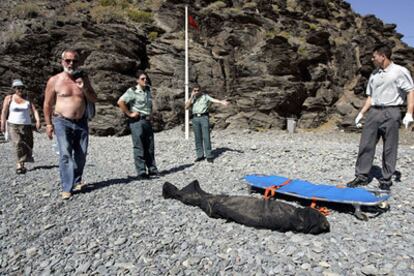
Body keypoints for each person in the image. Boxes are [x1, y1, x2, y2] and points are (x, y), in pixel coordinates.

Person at [347, 44, 414, 190]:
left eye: (374, 56)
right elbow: (371, 97)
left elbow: (410, 91)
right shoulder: (374, 74)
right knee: (366, 144)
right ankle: (361, 176)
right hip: (374, 112)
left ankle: (385, 179)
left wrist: (409, 113)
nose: (372, 59)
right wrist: (361, 113)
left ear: (383, 56)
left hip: (392, 111)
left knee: (389, 146)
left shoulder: (400, 71)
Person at [43, 49, 97, 200]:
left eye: (74, 61)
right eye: (68, 60)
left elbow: (94, 98)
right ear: (62, 62)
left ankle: (76, 180)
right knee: (65, 154)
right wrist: (48, 124)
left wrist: (84, 88)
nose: (71, 63)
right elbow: (47, 104)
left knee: (81, 155)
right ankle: (67, 187)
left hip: (81, 122)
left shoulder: (83, 79)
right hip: (62, 122)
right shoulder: (55, 80)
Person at [117, 70, 159, 179]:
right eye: (142, 79)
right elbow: (120, 102)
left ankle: (152, 169)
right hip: (137, 121)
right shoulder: (132, 91)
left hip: (147, 121)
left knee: (150, 146)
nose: (145, 80)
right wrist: (129, 114)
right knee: (139, 146)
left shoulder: (148, 90)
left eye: (146, 78)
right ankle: (141, 172)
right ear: (137, 80)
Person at [1, 79, 41, 174]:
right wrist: (2, 124)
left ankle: (23, 161)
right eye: (17, 88)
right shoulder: (9, 98)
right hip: (13, 124)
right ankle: (19, 164)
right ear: (14, 89)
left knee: (27, 144)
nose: (20, 90)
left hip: (26, 125)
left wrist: (38, 120)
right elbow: (4, 111)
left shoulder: (27, 99)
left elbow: (34, 110)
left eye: (21, 88)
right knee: (18, 143)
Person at [185, 84, 229, 163]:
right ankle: (200, 155)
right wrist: (191, 96)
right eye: (195, 90)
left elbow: (213, 100)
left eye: (198, 90)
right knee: (197, 137)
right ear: (193, 91)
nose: (197, 92)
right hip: (195, 118)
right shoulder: (192, 98)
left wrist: (221, 102)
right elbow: (186, 107)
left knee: (206, 136)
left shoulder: (205, 96)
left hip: (204, 117)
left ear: (200, 90)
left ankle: (209, 155)